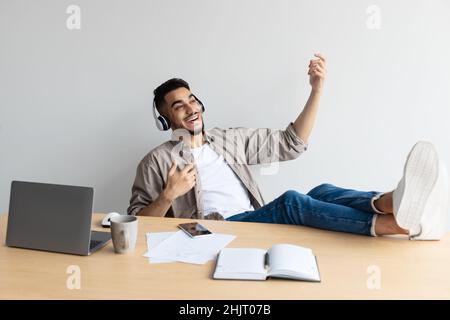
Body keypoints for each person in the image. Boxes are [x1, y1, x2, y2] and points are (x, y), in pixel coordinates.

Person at [127, 54, 449, 240]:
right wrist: (168, 195)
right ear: (165, 120)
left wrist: (317, 90)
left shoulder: (229, 140)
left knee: (321, 190)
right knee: (292, 202)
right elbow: (137, 224)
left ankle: (395, 204)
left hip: (251, 220)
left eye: (192, 99)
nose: (191, 108)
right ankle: (397, 221)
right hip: (212, 232)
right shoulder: (156, 161)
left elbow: (290, 143)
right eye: (178, 106)